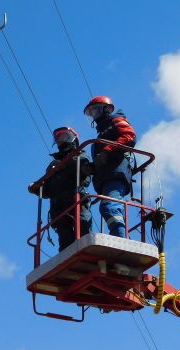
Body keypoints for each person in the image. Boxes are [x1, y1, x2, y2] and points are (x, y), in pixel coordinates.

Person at [28, 127, 92, 252]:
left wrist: (65, 164)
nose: (61, 140)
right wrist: (37, 187)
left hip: (76, 200)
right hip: (58, 206)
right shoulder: (52, 165)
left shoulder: (80, 155)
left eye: (64, 136)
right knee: (64, 237)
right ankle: (67, 255)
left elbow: (85, 171)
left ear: (73, 139)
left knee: (83, 227)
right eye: (58, 138)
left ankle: (87, 249)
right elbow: (47, 189)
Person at [83, 96, 136, 238]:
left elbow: (129, 136)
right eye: (91, 112)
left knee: (109, 207)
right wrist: (93, 167)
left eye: (96, 109)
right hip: (106, 177)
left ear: (107, 108)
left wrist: (106, 151)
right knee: (109, 207)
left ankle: (121, 241)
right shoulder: (101, 134)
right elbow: (103, 158)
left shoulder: (116, 121)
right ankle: (124, 239)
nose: (94, 114)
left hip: (116, 175)